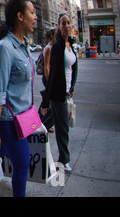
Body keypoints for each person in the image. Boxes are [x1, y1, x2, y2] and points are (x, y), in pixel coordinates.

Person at [0, 0, 38, 197]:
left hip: (23, 118)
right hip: (10, 121)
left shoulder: (24, 44)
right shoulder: (5, 49)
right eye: (32, 12)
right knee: (23, 164)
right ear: (20, 16)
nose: (35, 17)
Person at [40, 12, 78, 174]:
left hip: (66, 92)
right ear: (59, 26)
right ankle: (64, 160)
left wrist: (72, 87)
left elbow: (73, 68)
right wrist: (46, 102)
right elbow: (53, 74)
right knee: (63, 128)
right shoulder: (57, 46)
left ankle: (30, 134)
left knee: (46, 122)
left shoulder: (70, 45)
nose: (67, 25)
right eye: (63, 23)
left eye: (68, 22)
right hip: (57, 94)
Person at [40, 29, 55, 132]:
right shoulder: (48, 48)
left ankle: (45, 122)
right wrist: (49, 80)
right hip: (48, 78)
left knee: (48, 101)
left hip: (51, 78)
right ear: (52, 36)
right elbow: (46, 67)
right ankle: (42, 122)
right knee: (48, 101)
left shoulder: (53, 47)